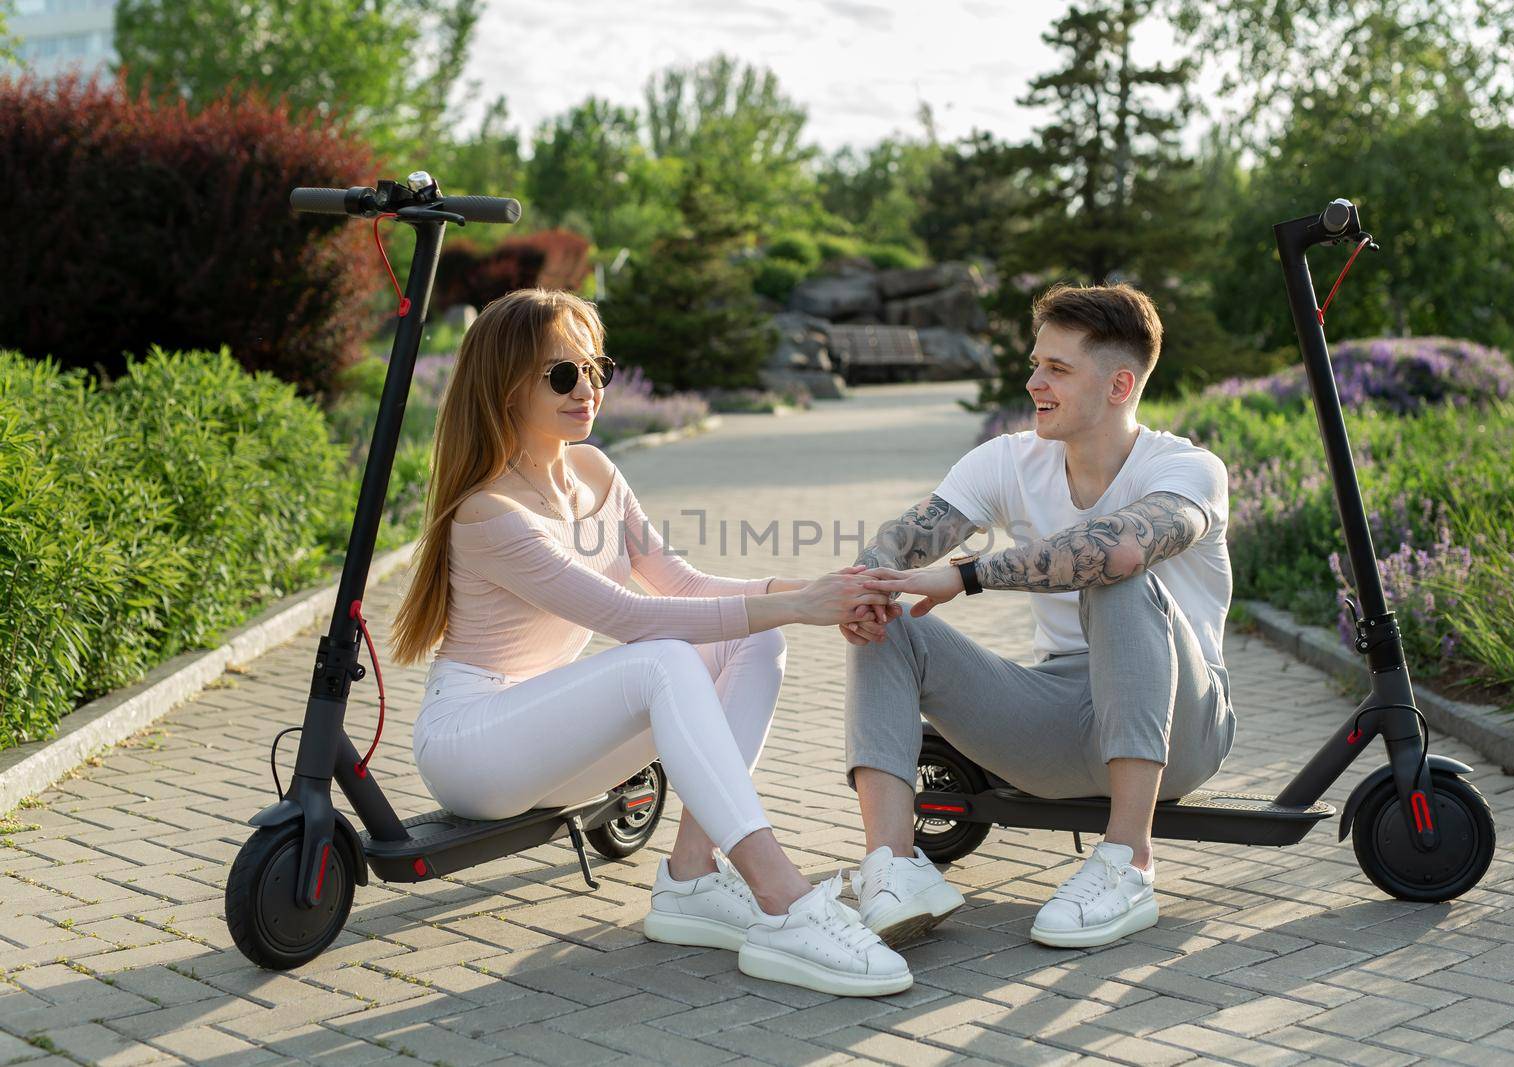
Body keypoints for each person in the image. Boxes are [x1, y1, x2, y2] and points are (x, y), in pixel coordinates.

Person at [390, 288, 912, 997]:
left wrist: (820, 589)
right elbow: (635, 619)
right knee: (663, 658)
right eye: (563, 375)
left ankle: (692, 874)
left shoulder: (597, 471)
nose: (590, 390)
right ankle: (787, 901)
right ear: (505, 386)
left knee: (753, 644)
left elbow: (683, 585)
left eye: (596, 368)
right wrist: (801, 605)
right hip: (473, 749)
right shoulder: (491, 513)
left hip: (555, 740)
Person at [838, 282, 1236, 950]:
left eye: (1057, 368)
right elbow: (903, 540)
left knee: (1115, 573)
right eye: (1035, 363)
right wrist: (870, 580)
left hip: (1181, 726)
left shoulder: (1189, 469)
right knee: (892, 621)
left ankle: (1128, 863)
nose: (1033, 382)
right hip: (1056, 721)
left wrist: (967, 575)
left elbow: (1121, 549)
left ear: (1118, 385)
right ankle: (893, 866)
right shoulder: (1009, 459)